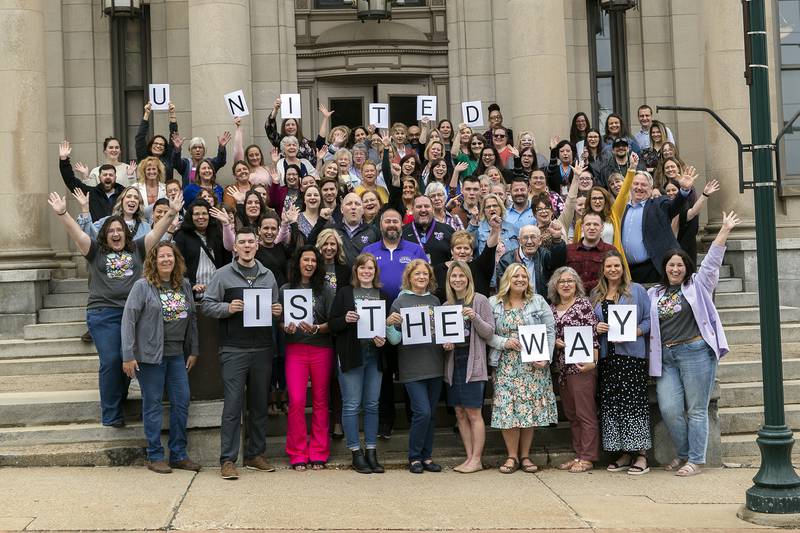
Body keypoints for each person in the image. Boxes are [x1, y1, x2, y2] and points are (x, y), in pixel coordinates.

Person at [46, 189, 182, 427]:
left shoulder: (138, 248)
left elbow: (157, 231)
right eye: (111, 231)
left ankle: (119, 399)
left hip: (134, 315)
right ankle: (110, 412)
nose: (116, 233)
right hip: (103, 314)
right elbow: (77, 233)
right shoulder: (95, 251)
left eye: (120, 230)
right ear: (105, 235)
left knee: (128, 359)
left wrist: (171, 212)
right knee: (111, 359)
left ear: (126, 233)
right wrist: (63, 213)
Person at [649, 212, 739, 477]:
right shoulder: (655, 293)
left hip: (695, 352)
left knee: (696, 409)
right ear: (664, 268)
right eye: (670, 265)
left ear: (686, 267)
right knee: (669, 408)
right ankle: (685, 452)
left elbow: (711, 264)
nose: (675, 269)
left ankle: (696, 459)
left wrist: (724, 231)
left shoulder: (698, 285)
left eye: (679, 265)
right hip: (666, 357)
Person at [202, 226, 282, 480]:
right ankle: (227, 459)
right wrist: (228, 308)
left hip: (262, 348)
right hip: (234, 349)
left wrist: (277, 312)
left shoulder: (268, 276)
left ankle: (256, 454)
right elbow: (207, 306)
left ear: (257, 245)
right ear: (235, 247)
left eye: (251, 242)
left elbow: (274, 308)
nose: (247, 246)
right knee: (233, 406)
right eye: (242, 242)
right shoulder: (222, 275)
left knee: (259, 404)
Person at [121, 242, 200, 474]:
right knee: (153, 405)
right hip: (150, 358)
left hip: (177, 356)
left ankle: (178, 454)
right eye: (161, 256)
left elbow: (193, 319)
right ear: (153, 261)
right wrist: (128, 355)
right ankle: (155, 455)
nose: (166, 260)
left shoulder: (184, 285)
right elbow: (128, 321)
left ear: (176, 260)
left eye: (170, 256)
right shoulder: (142, 286)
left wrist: (194, 350)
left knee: (182, 402)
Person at [487, 263, 557, 474]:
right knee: (507, 409)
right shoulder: (494, 303)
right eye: (516, 276)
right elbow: (486, 332)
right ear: (507, 278)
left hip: (533, 366)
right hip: (505, 364)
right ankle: (511, 456)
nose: (520, 280)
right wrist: (503, 342)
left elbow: (550, 330)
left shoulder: (538, 301)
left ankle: (525, 456)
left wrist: (546, 357)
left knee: (529, 411)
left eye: (524, 276)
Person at [592, 250, 652, 475]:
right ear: (603, 270)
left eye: (617, 266)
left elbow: (648, 321)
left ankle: (641, 455)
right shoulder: (596, 294)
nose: (613, 270)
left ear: (623, 268)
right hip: (608, 358)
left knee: (634, 405)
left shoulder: (636, 291)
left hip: (631, 358)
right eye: (609, 266)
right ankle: (624, 453)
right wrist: (596, 328)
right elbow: (592, 322)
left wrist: (636, 331)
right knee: (613, 406)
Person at [328, 253, 390, 474]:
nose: (366, 272)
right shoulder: (345, 293)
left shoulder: (383, 295)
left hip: (374, 356)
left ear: (375, 272)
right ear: (356, 271)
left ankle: (371, 451)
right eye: (362, 268)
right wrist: (344, 320)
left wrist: (384, 338)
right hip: (351, 355)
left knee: (372, 404)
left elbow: (388, 327)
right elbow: (333, 324)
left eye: (370, 268)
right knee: (352, 404)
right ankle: (355, 452)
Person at [280, 245, 335, 470]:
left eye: (313, 260)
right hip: (296, 350)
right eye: (306, 260)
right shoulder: (285, 289)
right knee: (296, 401)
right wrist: (286, 328)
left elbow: (334, 322)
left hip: (321, 349)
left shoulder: (325, 290)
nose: (310, 264)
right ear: (298, 263)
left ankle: (319, 451)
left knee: (321, 401)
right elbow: (280, 321)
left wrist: (318, 328)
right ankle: (297, 452)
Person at [386, 260, 445, 474]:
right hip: (411, 366)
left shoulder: (435, 300)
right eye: (417, 274)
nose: (421, 277)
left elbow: (441, 331)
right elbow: (393, 340)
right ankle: (414, 456)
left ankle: (427, 457)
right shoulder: (400, 302)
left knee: (431, 415)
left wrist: (447, 340)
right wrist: (390, 324)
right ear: (409, 277)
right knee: (422, 411)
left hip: (435, 363)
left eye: (425, 274)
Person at [442, 261, 495, 473]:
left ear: (468, 278)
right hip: (453, 362)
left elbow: (489, 333)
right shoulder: (446, 306)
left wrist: (475, 317)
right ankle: (468, 456)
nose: (457, 279)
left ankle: (477, 458)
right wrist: (444, 344)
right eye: (453, 276)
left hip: (473, 361)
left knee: (474, 411)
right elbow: (442, 338)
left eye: (461, 276)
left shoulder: (480, 300)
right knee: (459, 412)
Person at [548, 267, 600, 473]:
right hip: (561, 368)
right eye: (562, 281)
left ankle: (588, 457)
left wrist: (593, 362)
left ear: (576, 284)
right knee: (572, 414)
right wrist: (554, 343)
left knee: (585, 413)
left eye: (570, 281)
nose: (566, 285)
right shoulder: (551, 308)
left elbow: (593, 336)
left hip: (581, 366)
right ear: (555, 285)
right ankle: (578, 454)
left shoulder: (583, 305)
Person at [621, 169, 695, 283]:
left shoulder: (658, 205)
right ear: (630, 186)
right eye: (636, 184)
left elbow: (674, 206)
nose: (639, 187)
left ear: (651, 189)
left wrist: (684, 190)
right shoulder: (622, 209)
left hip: (653, 269)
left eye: (644, 185)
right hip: (628, 272)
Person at [172, 200, 233, 300]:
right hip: (191, 295)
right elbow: (176, 265)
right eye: (196, 214)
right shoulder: (181, 235)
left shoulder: (218, 234)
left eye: (204, 213)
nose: (201, 217)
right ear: (190, 216)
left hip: (217, 295)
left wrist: (226, 224)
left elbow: (227, 260)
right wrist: (190, 285)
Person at [59, 140, 125, 222]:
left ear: (115, 177)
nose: (108, 177)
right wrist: (64, 160)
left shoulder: (124, 194)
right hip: (97, 233)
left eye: (111, 175)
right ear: (99, 177)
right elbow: (70, 181)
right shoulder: (91, 193)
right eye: (105, 175)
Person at [496, 224, 566, 297]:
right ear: (519, 241)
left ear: (540, 241)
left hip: (541, 304)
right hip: (516, 304)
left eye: (533, 237)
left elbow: (558, 265)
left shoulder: (544, 255)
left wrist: (557, 240)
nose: (529, 242)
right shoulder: (506, 260)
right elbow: (503, 289)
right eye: (525, 238)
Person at [566, 212, 617, 292]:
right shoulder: (569, 250)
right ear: (582, 227)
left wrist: (581, 287)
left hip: (601, 297)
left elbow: (614, 278)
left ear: (602, 228)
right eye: (588, 224)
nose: (592, 228)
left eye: (596, 224)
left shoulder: (610, 251)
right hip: (573, 298)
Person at [401, 194, 455, 267]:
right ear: (412, 209)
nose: (423, 210)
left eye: (427, 206)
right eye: (419, 207)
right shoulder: (402, 233)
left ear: (432, 209)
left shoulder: (448, 231)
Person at [135, 102, 178, 178]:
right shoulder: (144, 158)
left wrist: (172, 114)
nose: (158, 146)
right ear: (151, 145)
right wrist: (147, 114)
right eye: (156, 143)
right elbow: (140, 138)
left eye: (161, 145)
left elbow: (173, 136)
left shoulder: (168, 158)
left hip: (165, 189)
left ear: (165, 149)